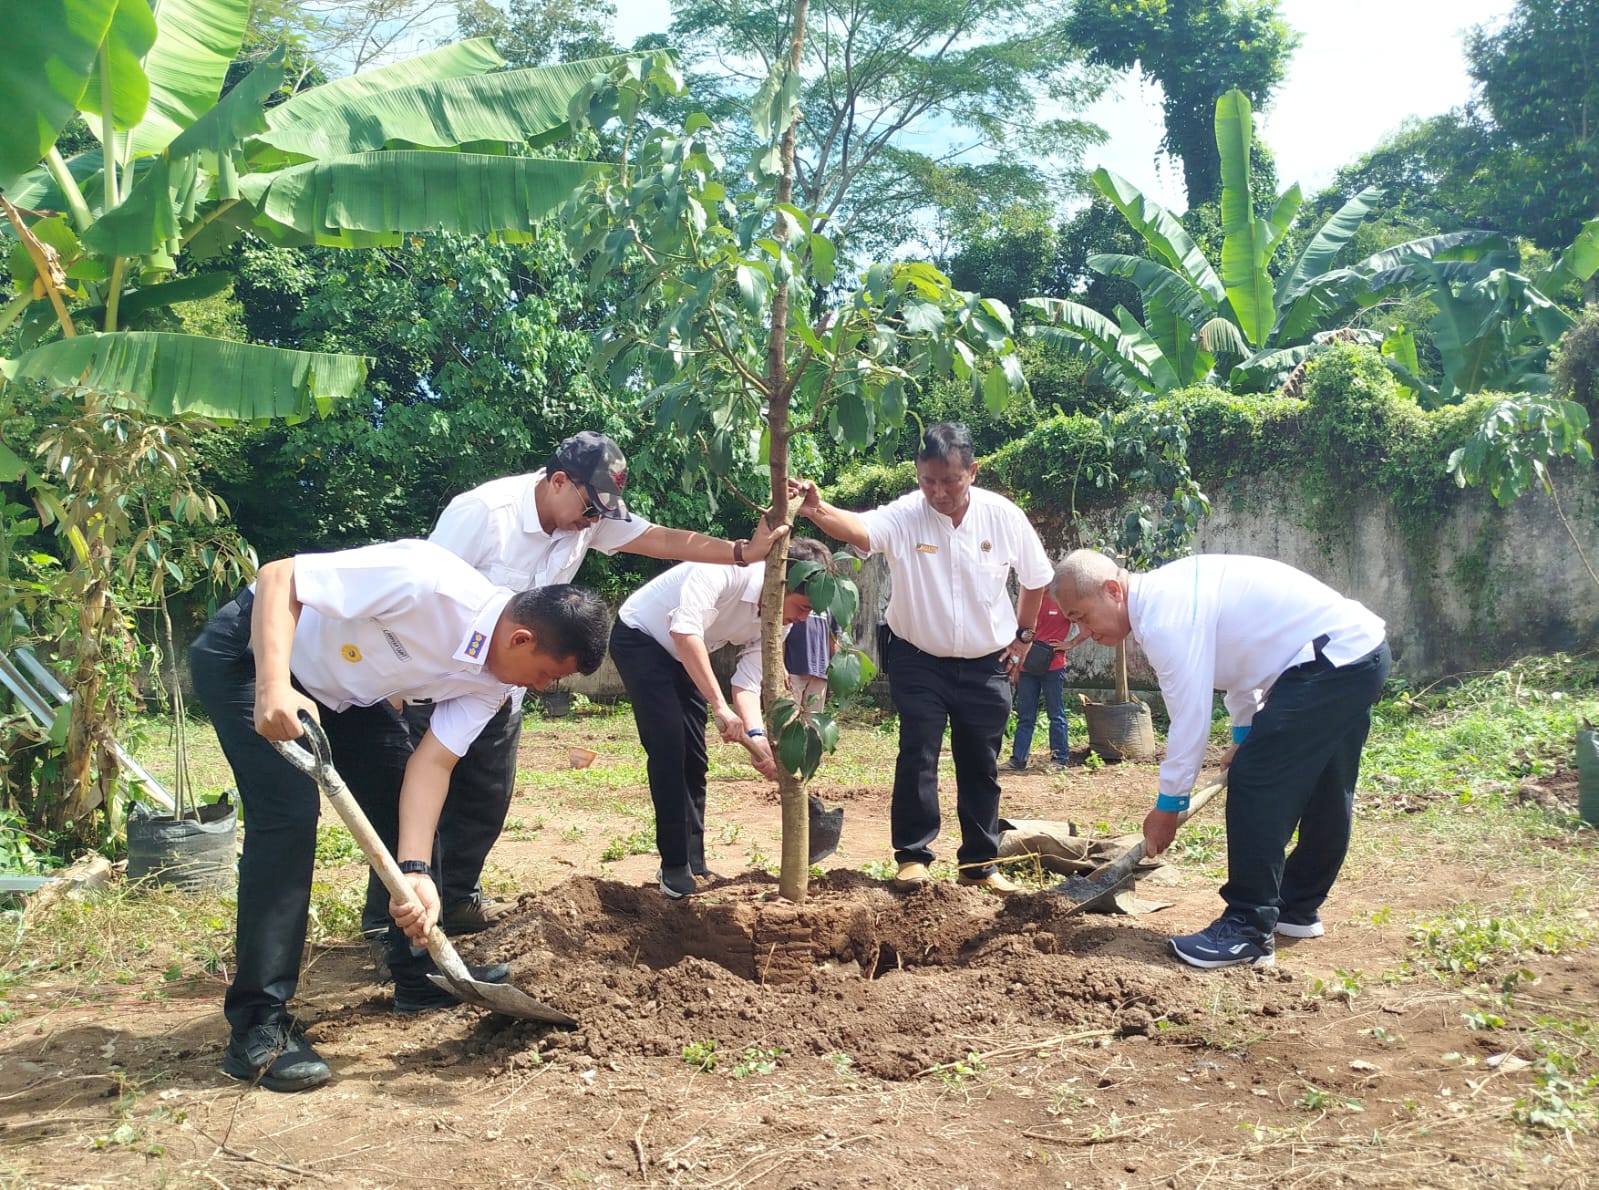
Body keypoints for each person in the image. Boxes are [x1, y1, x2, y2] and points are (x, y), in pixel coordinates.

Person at [189, 539, 610, 1091]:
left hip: (344, 697)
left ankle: (418, 973)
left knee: (400, 802)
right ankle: (256, 1028)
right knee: (288, 819)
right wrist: (273, 687)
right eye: (544, 676)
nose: (539, 689)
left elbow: (432, 766)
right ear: (520, 639)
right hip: (252, 659)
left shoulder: (494, 684)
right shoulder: (427, 580)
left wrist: (413, 869)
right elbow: (279, 578)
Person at [383, 432, 787, 939]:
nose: (593, 521)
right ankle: (391, 919)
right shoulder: (484, 513)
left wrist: (741, 552)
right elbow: (423, 590)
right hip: (440, 675)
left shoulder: (587, 522)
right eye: (590, 508)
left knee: (487, 800)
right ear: (557, 481)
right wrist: (398, 688)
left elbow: (659, 538)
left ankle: (458, 901)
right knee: (416, 795)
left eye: (602, 514)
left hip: (503, 685)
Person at [1051, 549, 1391, 969]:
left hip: (1328, 663)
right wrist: (1245, 734)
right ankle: (1296, 907)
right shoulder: (1170, 595)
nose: (1082, 631)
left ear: (1112, 590)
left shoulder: (1164, 619)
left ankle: (1247, 929)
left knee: (1256, 781)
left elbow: (1189, 719)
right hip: (1355, 654)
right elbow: (1243, 662)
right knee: (1325, 783)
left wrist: (1169, 806)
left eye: (1081, 616)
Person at [791, 422, 1054, 895]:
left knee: (981, 762)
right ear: (918, 475)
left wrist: (1025, 636)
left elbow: (1036, 577)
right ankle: (913, 856)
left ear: (972, 472)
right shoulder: (907, 514)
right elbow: (863, 530)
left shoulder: (1003, 517)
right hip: (918, 658)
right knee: (918, 755)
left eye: (950, 480)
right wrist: (818, 510)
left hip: (986, 663)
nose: (938, 492)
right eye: (928, 480)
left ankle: (980, 863)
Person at [610, 538, 837, 897]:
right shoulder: (722, 570)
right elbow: (684, 633)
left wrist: (757, 736)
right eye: (804, 606)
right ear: (782, 582)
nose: (804, 618)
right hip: (642, 639)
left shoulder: (783, 619)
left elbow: (746, 682)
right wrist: (718, 705)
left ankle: (694, 862)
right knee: (670, 749)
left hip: (686, 655)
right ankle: (673, 868)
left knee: (695, 760)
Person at [1005, 590, 1072, 771]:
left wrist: (1070, 644)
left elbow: (1087, 626)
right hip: (1027, 666)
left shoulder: (1063, 601)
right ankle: (1018, 759)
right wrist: (1017, 665)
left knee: (1055, 714)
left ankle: (1060, 759)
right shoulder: (1028, 603)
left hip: (1054, 665)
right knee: (1025, 715)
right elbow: (1018, 637)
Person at [784, 609, 836, 714]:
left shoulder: (830, 605)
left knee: (814, 721)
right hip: (793, 670)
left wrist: (836, 672)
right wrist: (782, 667)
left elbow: (833, 640)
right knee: (789, 718)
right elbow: (781, 637)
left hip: (820, 672)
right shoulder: (796, 600)